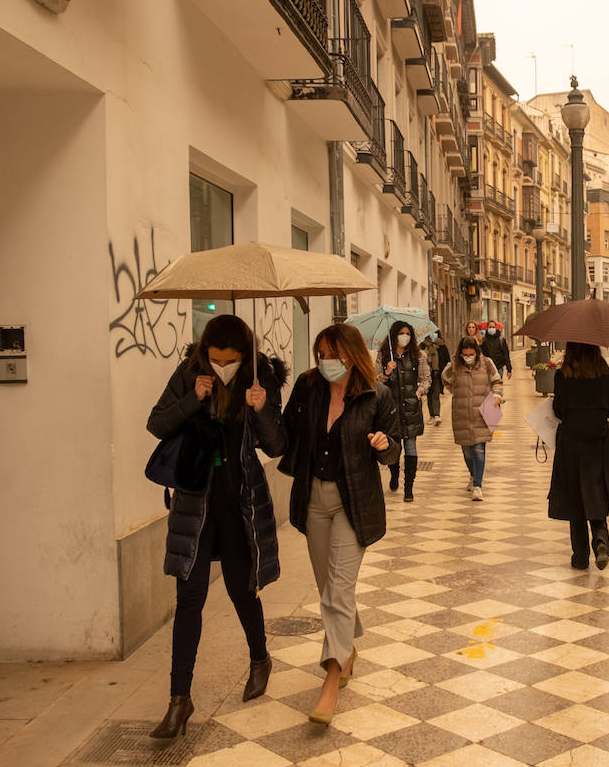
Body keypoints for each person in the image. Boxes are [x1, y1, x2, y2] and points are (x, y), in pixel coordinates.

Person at [145, 314, 288, 738]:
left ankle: (260, 658)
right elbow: (157, 423)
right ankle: (179, 700)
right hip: (195, 500)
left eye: (229, 360)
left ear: (243, 356)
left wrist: (261, 410)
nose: (221, 366)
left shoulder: (259, 378)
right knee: (189, 598)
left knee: (241, 589)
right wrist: (192, 397)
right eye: (214, 359)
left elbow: (277, 445)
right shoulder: (190, 372)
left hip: (239, 500)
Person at [278, 323, 400, 726]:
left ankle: (332, 676)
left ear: (351, 355)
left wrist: (384, 444)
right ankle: (347, 647)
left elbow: (393, 450)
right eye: (320, 354)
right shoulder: (307, 387)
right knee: (329, 588)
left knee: (338, 591)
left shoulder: (375, 394)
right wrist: (260, 407)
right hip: (314, 499)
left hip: (354, 502)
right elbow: (282, 439)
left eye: (332, 353)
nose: (326, 361)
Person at [548, 342, 609, 571]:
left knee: (574, 496)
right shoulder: (604, 373)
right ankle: (601, 540)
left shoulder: (563, 375)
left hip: (570, 440)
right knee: (595, 490)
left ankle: (579, 557)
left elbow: (558, 410)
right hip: (596, 441)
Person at [442, 335, 503, 501]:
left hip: (482, 414)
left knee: (479, 450)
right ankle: (473, 474)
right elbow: (445, 378)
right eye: (465, 355)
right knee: (467, 452)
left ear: (477, 352)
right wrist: (455, 391)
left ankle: (478, 485)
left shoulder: (487, 363)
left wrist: (497, 395)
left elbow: (497, 381)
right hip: (461, 414)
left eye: (471, 354)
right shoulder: (455, 365)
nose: (468, 358)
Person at [376, 320, 430, 503]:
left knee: (411, 448)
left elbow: (426, 379)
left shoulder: (419, 355)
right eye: (401, 333)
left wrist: (418, 392)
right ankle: (393, 474)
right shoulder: (384, 355)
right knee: (394, 447)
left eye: (407, 333)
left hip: (411, 407)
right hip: (390, 409)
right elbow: (376, 382)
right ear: (394, 335)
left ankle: (409, 488)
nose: (404, 336)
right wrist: (386, 372)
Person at [423, 332, 451, 427]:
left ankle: (437, 415)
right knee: (429, 395)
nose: (433, 335)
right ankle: (431, 415)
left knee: (436, 394)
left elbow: (447, 360)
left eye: (434, 332)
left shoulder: (442, 346)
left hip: (437, 374)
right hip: (426, 374)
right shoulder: (423, 346)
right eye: (430, 333)